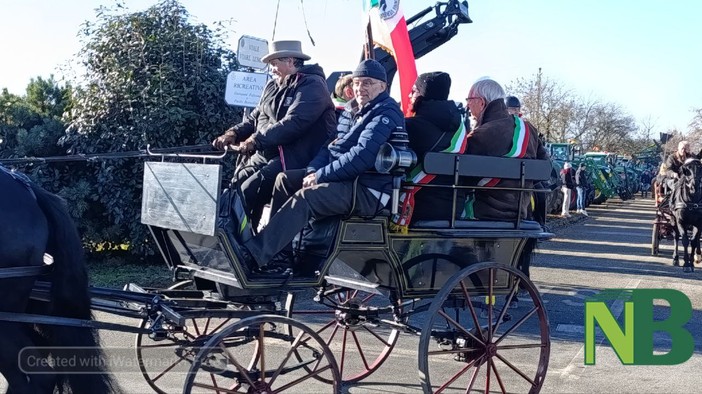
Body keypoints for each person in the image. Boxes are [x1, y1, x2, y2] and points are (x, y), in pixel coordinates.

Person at [240, 59, 404, 273]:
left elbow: (361, 157)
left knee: (305, 197)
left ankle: (255, 255)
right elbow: (329, 146)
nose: (360, 88)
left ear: (382, 86)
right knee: (284, 180)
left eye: (368, 83)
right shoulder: (351, 110)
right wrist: (312, 171)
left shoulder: (385, 113)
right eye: (356, 83)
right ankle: (281, 256)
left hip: (367, 188)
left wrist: (320, 177)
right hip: (344, 179)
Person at [212, 40, 336, 229]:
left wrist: (256, 140)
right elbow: (254, 118)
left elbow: (294, 123)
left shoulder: (313, 85)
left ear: (291, 61)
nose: (271, 68)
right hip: (265, 152)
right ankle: (234, 236)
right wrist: (232, 133)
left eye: (274, 63)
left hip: (295, 156)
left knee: (251, 188)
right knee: (236, 186)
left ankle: (246, 242)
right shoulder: (271, 86)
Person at [462, 78, 549, 221]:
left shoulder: (480, 135)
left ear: (481, 102)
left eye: (469, 99)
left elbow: (463, 177)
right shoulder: (528, 130)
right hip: (522, 213)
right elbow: (544, 168)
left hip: (481, 213)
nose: (467, 105)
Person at [392, 71, 465, 229]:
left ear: (420, 95)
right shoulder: (460, 128)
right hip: (455, 208)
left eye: (413, 91)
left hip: (420, 207)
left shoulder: (410, 127)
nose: (410, 95)